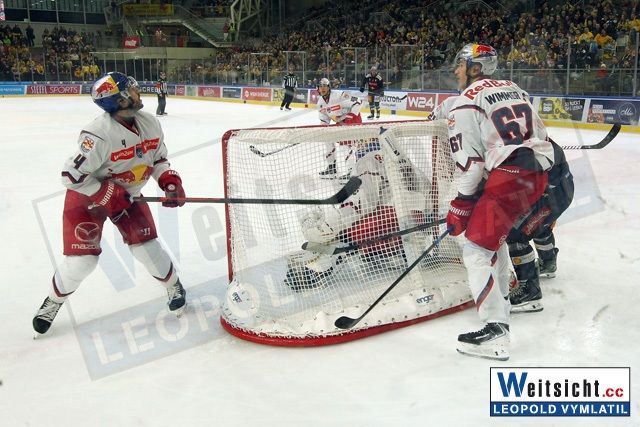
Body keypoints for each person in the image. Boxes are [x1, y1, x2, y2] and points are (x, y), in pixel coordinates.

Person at [32, 72, 188, 335]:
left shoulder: (150, 122)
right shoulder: (98, 135)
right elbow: (71, 176)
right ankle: (52, 302)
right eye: (132, 89)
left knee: (146, 249)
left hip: (127, 196)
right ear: (121, 100)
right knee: (82, 262)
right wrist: (106, 192)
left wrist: (169, 181)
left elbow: (159, 158)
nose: (138, 91)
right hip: (86, 198)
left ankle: (174, 286)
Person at [445, 44, 554, 361]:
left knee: (475, 248)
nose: (456, 71)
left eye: (460, 65)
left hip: (509, 177)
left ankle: (495, 331)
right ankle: (502, 303)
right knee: (495, 239)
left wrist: (461, 204)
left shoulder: (465, 102)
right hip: (537, 174)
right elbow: (541, 134)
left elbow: (471, 166)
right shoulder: (513, 88)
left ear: (474, 68)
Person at [428, 95, 572, 313]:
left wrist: (467, 203)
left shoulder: (483, 131)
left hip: (552, 188)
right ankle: (548, 262)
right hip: (548, 184)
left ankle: (530, 293)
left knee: (514, 230)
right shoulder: (495, 133)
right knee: (530, 223)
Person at [315, 77, 362, 179]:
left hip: (353, 119)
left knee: (344, 144)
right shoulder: (320, 103)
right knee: (327, 138)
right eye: (320, 86)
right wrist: (322, 128)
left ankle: (352, 171)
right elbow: (324, 119)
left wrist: (350, 116)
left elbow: (358, 102)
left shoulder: (339, 95)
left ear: (329, 87)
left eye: (325, 86)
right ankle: (332, 167)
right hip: (341, 122)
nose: (322, 88)